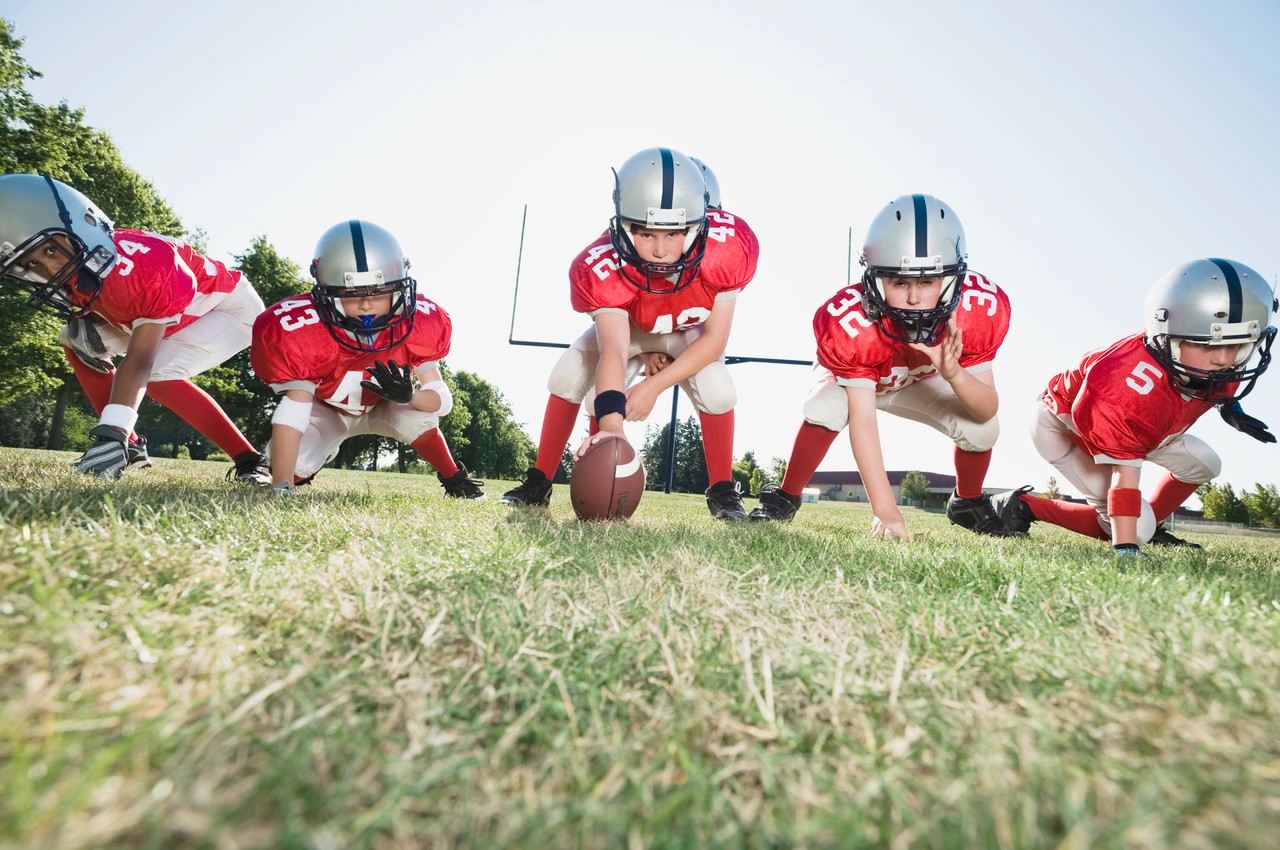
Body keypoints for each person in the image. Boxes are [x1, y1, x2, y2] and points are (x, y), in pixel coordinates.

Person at [499, 147, 759, 519]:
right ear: (623, 225)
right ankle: (540, 480)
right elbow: (615, 350)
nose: (659, 250)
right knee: (567, 376)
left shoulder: (727, 251)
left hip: (686, 332)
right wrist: (614, 428)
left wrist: (653, 384)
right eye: (645, 233)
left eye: (674, 234)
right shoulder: (599, 264)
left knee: (719, 389)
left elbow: (714, 342)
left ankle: (722, 491)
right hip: (631, 330)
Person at [750, 193, 1015, 538]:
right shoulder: (853, 322)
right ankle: (786, 496)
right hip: (854, 382)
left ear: (950, 280)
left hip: (914, 381)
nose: (915, 298)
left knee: (984, 431)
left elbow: (985, 409)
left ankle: (967, 502)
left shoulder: (975, 311)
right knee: (825, 407)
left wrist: (955, 374)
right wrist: (886, 510)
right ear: (875, 280)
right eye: (900, 281)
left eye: (927, 281)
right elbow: (864, 419)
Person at [990, 258, 1276, 554]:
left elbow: (1215, 379)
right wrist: (1126, 546)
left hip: (1149, 425)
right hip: (1064, 428)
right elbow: (1124, 478)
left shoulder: (1208, 365)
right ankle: (1024, 506)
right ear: (1168, 338)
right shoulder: (1123, 387)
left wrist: (1230, 408)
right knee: (1134, 529)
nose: (1224, 360)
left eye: (1240, 345)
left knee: (1204, 463)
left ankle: (1154, 525)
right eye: (1208, 345)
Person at [0, 173, 270, 481]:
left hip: (225, 308)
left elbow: (140, 360)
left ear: (78, 225)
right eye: (32, 263)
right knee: (78, 340)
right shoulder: (87, 260)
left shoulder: (147, 268)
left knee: (156, 373)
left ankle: (250, 459)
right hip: (161, 309)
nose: (49, 270)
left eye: (49, 251)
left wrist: (112, 429)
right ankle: (127, 445)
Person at [250, 219, 484, 499]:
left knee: (417, 415)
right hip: (327, 408)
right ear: (326, 293)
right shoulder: (300, 330)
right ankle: (294, 472)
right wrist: (281, 485)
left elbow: (442, 401)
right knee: (290, 463)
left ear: (400, 288)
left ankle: (455, 478)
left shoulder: (422, 322)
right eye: (351, 295)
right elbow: (294, 410)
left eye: (378, 292)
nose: (366, 304)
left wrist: (409, 396)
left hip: (387, 405)